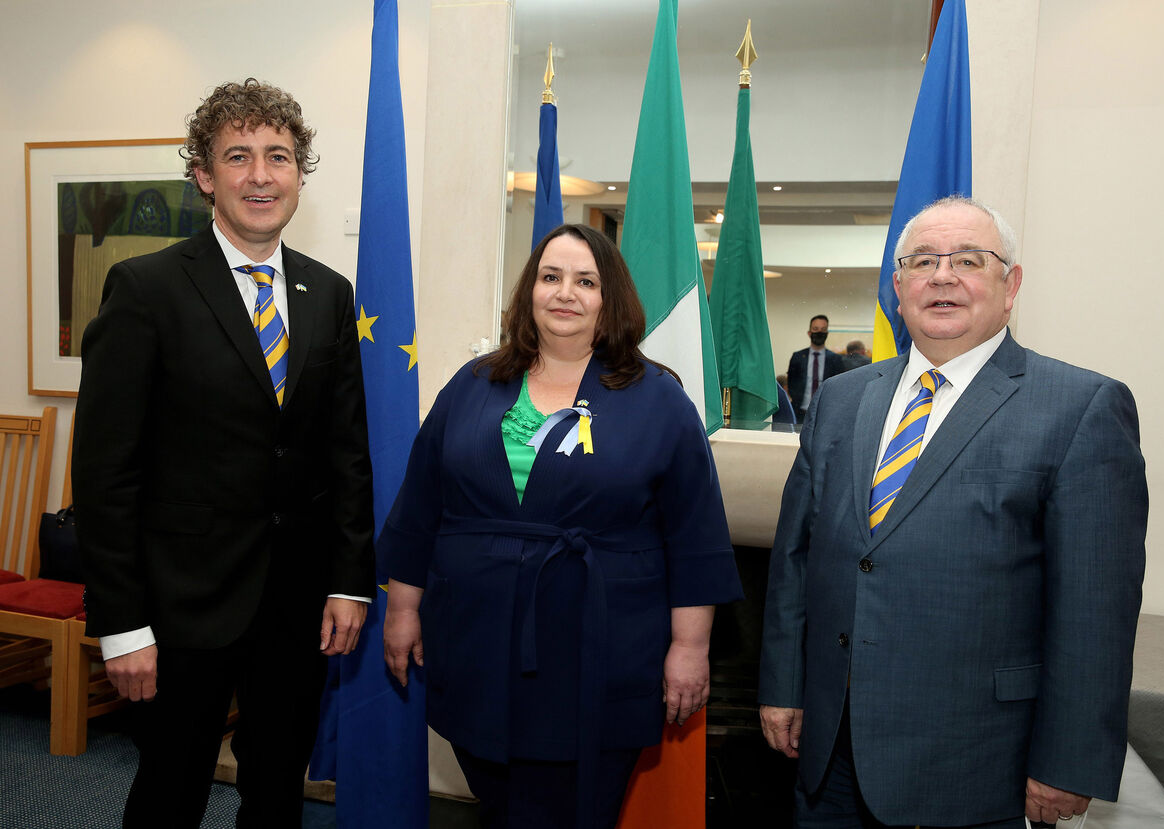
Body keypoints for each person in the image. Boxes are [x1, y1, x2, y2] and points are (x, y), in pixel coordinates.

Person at [759, 196, 1147, 828]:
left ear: (1011, 283)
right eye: (922, 261)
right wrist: (785, 686)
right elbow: (797, 558)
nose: (942, 276)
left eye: (969, 259)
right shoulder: (840, 399)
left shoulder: (1081, 408)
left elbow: (1095, 611)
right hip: (829, 753)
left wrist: (1068, 761)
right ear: (898, 285)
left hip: (976, 767)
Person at [73, 78, 374, 828]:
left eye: (278, 155)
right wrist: (122, 623)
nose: (260, 174)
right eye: (237, 156)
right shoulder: (144, 289)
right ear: (205, 175)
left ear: (299, 172)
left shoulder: (329, 294)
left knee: (277, 796)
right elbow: (106, 474)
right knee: (168, 795)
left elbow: (347, 453)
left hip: (297, 607)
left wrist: (349, 581)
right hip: (180, 611)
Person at [378, 223, 742, 829]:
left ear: (610, 299)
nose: (565, 293)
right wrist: (402, 611)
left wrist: (690, 648)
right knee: (502, 807)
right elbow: (420, 510)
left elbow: (695, 537)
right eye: (551, 277)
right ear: (530, 293)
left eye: (585, 281)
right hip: (475, 647)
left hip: (601, 651)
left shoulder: (659, 399)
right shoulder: (472, 386)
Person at [786, 315, 846, 422]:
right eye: (815, 329)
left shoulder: (836, 359)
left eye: (823, 330)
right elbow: (791, 383)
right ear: (809, 333)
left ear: (827, 333)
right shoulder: (797, 357)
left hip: (826, 414)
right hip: (800, 414)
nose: (819, 332)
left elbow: (839, 388)